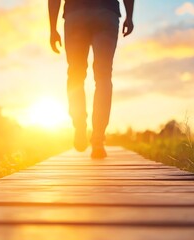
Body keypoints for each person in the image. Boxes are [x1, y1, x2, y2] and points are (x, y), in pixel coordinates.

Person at [48, 0, 134, 159]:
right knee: (103, 76)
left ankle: (79, 124)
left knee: (75, 75)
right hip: (106, 13)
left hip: (76, 14)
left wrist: (53, 29)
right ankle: (98, 140)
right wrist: (130, 16)